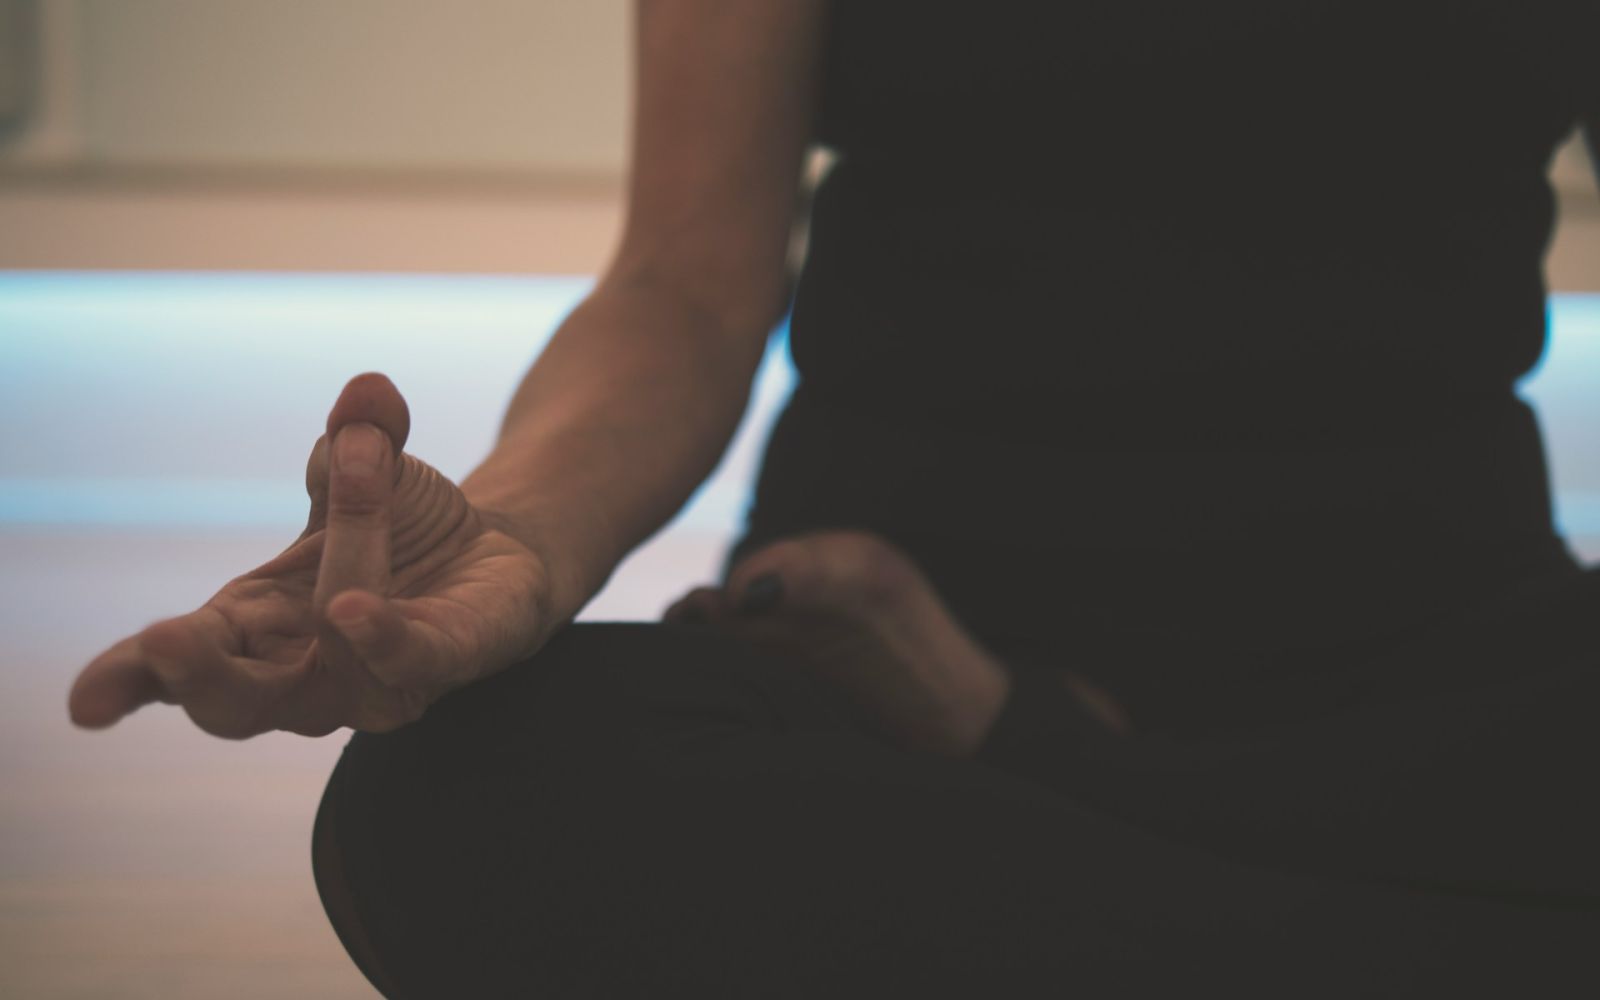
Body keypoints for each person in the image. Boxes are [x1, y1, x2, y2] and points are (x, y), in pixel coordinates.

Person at [69, 1, 1599, 996]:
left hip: (1429, 683)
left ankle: (1033, 750)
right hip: (857, 662)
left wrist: (1026, 750)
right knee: (462, 804)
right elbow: (682, 280)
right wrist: (522, 541)